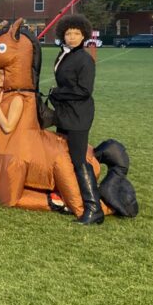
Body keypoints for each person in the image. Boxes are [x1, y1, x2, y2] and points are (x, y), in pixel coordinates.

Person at [49, 14, 102, 225]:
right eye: (68, 33)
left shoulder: (84, 58)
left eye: (76, 33)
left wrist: (57, 92)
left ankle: (93, 208)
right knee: (63, 158)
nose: (71, 37)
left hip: (79, 116)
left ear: (84, 35)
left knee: (79, 161)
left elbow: (84, 90)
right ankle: (67, 198)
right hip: (64, 113)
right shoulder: (64, 55)